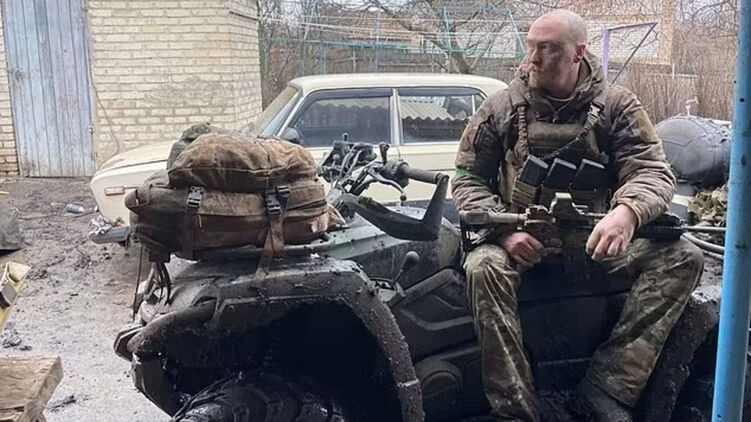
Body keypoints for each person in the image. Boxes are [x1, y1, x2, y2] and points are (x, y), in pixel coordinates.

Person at [452, 9, 704, 422]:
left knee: (684, 258)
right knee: (482, 268)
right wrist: (502, 232)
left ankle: (606, 388)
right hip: (521, 243)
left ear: (578, 53)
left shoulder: (618, 107)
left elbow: (652, 172)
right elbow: (467, 178)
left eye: (548, 49)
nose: (533, 59)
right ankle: (515, 410)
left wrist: (626, 214)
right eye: (531, 47)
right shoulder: (501, 107)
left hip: (593, 243)